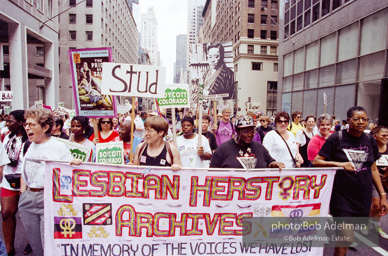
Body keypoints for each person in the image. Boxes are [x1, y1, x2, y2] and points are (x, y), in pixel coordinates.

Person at [313, 106, 388, 256]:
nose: (361, 122)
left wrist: (382, 195)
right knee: (345, 236)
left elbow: (373, 169)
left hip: (362, 196)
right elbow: (317, 161)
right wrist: (340, 164)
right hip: (341, 196)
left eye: (364, 119)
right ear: (348, 121)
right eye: (356, 119)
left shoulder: (369, 140)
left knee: (348, 237)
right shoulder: (337, 138)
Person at [18, 107, 81, 256]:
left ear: (45, 127)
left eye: (32, 125)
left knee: (49, 245)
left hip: (48, 198)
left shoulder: (58, 146)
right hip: (28, 198)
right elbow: (23, 170)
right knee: (36, 245)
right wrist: (23, 193)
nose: (27, 128)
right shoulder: (27, 145)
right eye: (26, 124)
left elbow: (67, 176)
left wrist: (75, 164)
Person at [210, 116, 284, 169]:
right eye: (245, 131)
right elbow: (212, 173)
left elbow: (269, 163)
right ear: (237, 130)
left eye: (252, 131)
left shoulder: (259, 148)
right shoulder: (223, 149)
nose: (249, 134)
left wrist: (274, 164)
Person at [1, 110, 26, 256]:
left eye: (10, 121)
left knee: (28, 215)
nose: (7, 124)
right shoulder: (6, 138)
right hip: (8, 179)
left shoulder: (29, 140)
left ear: (20, 123)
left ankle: (32, 243)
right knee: (6, 213)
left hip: (26, 181)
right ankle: (9, 249)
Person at [368, 126, 388, 239]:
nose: (386, 137)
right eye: (383, 135)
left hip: (386, 181)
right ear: (375, 136)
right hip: (373, 179)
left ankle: (376, 225)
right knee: (376, 204)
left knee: (382, 206)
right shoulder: (371, 148)